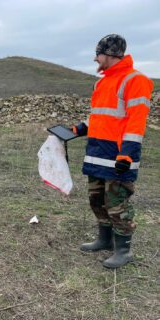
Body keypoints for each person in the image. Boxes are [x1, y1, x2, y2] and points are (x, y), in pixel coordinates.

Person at [72, 34, 153, 268]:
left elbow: (136, 121)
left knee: (118, 205)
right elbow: (99, 115)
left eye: (97, 54)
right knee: (96, 200)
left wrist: (126, 154)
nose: (95, 58)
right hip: (97, 152)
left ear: (108, 55)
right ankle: (104, 240)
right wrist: (79, 128)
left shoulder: (135, 80)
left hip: (119, 156)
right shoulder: (101, 82)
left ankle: (123, 251)